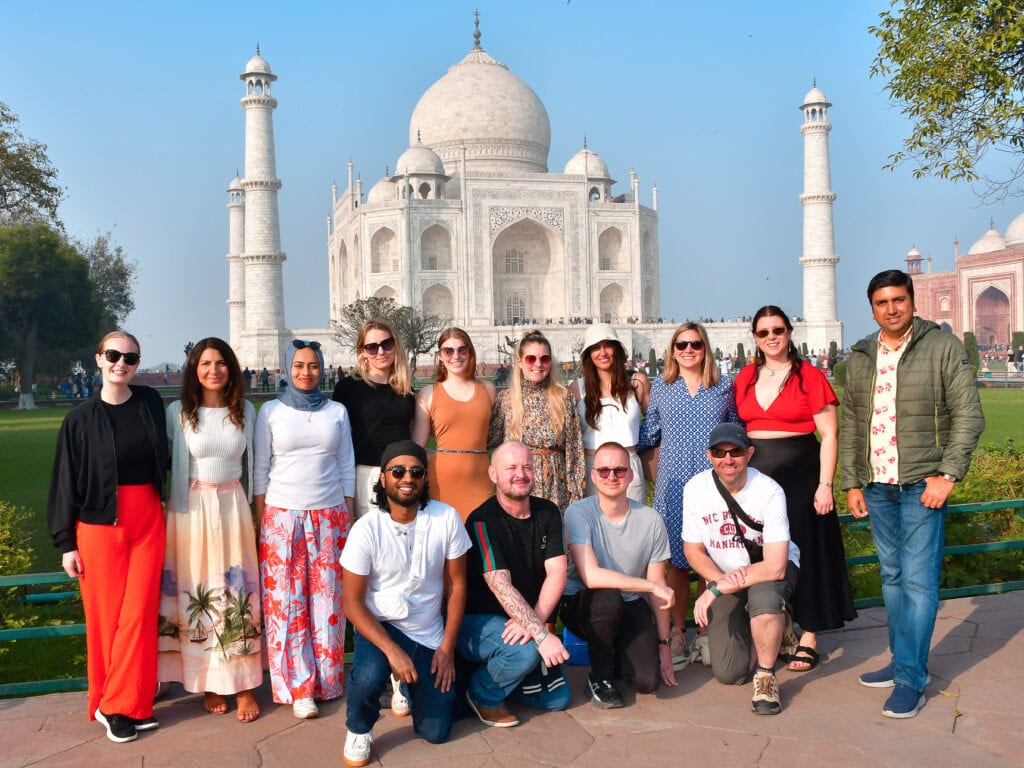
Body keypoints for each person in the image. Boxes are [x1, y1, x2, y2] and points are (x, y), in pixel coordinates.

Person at [842, 270, 984, 719]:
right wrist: (850, 480)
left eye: (898, 300)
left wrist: (949, 474)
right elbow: (851, 423)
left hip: (924, 482)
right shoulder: (863, 354)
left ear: (912, 300)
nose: (891, 309)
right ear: (872, 307)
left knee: (919, 582)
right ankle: (902, 660)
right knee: (893, 578)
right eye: (882, 302)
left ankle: (910, 679)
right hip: (878, 484)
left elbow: (968, 415)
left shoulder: (941, 347)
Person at [48, 331, 168, 743]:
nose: (122, 363)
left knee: (138, 616)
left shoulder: (151, 404)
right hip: (98, 527)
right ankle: (110, 702)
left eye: (130, 358)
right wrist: (66, 543)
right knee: (105, 620)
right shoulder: (79, 419)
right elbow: (64, 481)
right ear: (98, 359)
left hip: (148, 520)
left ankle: (123, 704)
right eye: (113, 355)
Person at [733, 306, 855, 672]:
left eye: (778, 330)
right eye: (763, 332)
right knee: (760, 551)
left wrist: (824, 485)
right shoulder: (746, 377)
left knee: (807, 548)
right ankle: (775, 626)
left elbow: (830, 434)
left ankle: (810, 635)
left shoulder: (809, 377)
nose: (771, 337)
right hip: (757, 476)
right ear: (754, 338)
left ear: (789, 333)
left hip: (802, 471)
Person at [340, 440, 472, 767]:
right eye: (397, 471)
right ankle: (359, 727)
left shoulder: (446, 518)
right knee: (370, 676)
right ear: (383, 478)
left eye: (416, 471)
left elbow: (457, 585)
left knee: (436, 730)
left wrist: (446, 649)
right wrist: (392, 651)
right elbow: (352, 604)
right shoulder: (366, 529)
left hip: (427, 630)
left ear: (426, 478)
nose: (407, 478)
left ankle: (407, 686)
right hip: (380, 625)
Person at [158, 338, 261, 722]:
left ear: (231, 369)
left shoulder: (245, 411)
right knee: (199, 590)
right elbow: (160, 463)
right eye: (205, 363)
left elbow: (257, 464)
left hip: (233, 506)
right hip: (190, 511)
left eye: (220, 363)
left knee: (237, 591)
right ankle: (212, 682)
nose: (213, 370)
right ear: (194, 369)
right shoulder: (179, 414)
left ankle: (246, 685)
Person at [254, 339, 356, 719]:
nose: (306, 373)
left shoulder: (336, 412)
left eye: (313, 365)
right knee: (289, 603)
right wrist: (262, 521)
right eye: (298, 366)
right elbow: (261, 471)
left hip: (329, 516)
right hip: (283, 517)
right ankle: (299, 686)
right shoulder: (271, 412)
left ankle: (327, 680)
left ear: (323, 368)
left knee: (328, 603)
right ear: (286, 368)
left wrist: (346, 516)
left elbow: (346, 466)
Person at [683, 423, 801, 715]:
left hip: (766, 570)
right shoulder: (696, 488)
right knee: (729, 673)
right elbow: (693, 550)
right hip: (725, 574)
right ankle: (771, 627)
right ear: (709, 455)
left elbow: (775, 567)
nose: (728, 459)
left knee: (764, 598)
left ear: (749, 453)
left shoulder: (768, 490)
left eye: (735, 451)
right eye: (719, 452)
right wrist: (720, 581)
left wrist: (717, 591)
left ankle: (766, 675)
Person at [638, 321, 738, 664]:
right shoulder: (662, 388)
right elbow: (648, 438)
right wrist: (659, 479)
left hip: (714, 487)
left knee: (711, 559)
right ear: (673, 351)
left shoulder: (723, 386)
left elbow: (737, 434)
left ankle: (706, 631)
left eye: (695, 344)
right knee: (677, 565)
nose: (689, 351)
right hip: (674, 486)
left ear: (705, 348)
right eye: (681, 346)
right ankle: (678, 631)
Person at [458, 442, 572, 728]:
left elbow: (557, 573)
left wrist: (532, 622)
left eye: (527, 467)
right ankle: (482, 694)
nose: (520, 474)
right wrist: (541, 636)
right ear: (493, 474)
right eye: (511, 468)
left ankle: (511, 676)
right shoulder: (482, 520)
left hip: (523, 616)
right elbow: (500, 585)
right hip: (477, 622)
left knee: (558, 699)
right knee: (524, 652)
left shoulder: (549, 512)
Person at [561, 442, 677, 709]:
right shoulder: (578, 513)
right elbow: (591, 576)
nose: (611, 477)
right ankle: (599, 679)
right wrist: (648, 585)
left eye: (619, 470)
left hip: (628, 603)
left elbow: (659, 587)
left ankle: (615, 657)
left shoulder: (651, 520)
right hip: (583, 603)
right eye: (603, 471)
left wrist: (664, 647)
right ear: (593, 475)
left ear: (631, 474)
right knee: (607, 597)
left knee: (648, 681)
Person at [488, 330, 585, 510]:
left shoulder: (563, 398)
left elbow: (575, 449)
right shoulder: (506, 400)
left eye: (544, 359)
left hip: (556, 487)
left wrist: (576, 492)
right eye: (531, 359)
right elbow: (488, 441)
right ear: (519, 361)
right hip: (517, 486)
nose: (538, 364)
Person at [333, 319, 416, 519]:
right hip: (366, 474)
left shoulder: (405, 389)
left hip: (403, 475)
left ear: (395, 345)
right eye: (372, 347)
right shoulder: (348, 388)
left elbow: (410, 433)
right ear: (362, 351)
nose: (381, 352)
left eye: (386, 344)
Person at [413, 328, 496, 520]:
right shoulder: (428, 394)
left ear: (470, 352)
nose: (455, 356)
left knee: (480, 541)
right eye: (448, 351)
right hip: (441, 482)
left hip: (480, 480)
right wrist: (444, 455)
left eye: (462, 350)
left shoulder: (488, 390)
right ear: (440, 356)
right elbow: (417, 448)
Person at [569, 323, 649, 503]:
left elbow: (654, 426)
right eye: (596, 347)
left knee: (632, 524)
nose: (602, 352)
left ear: (617, 349)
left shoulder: (637, 383)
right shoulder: (577, 388)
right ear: (589, 354)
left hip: (628, 466)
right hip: (594, 466)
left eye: (608, 345)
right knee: (594, 527)